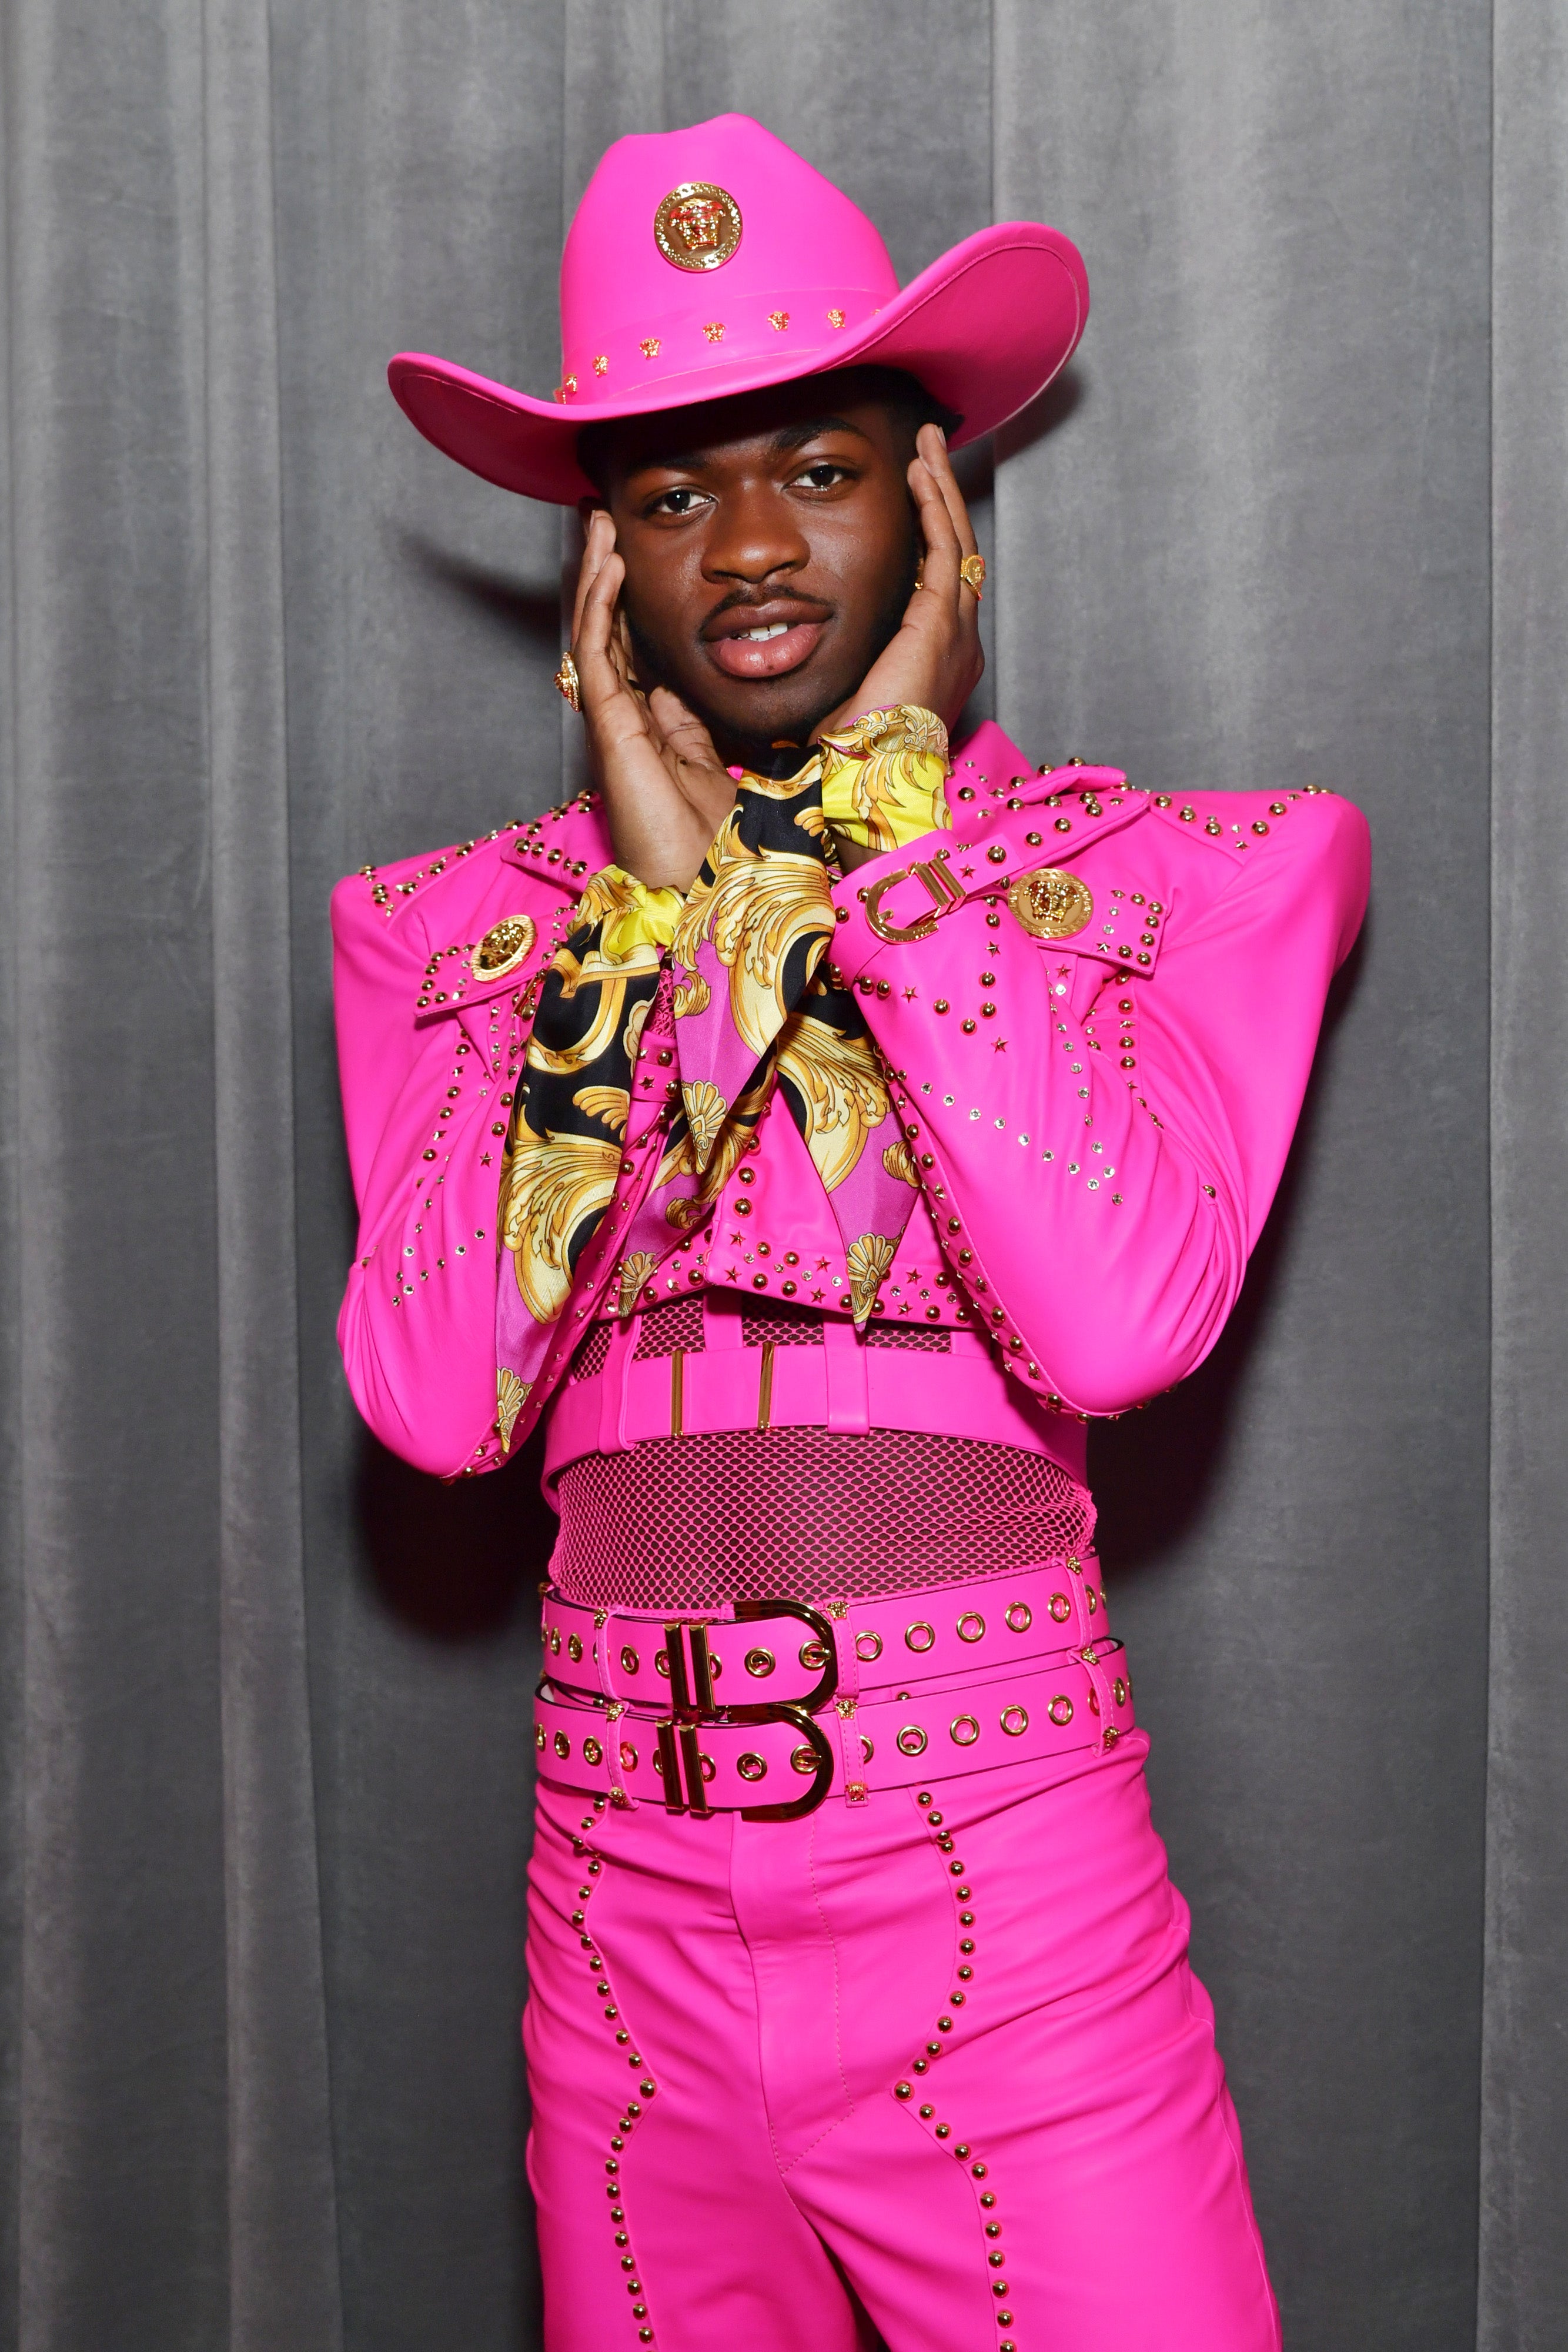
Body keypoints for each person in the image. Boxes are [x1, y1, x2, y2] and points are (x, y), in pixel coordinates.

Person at [333, 114, 1369, 2352]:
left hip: (1010, 1927)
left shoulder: (1195, 875)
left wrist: (880, 857)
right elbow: (430, 1408)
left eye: (817, 465)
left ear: (936, 505)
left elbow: (1112, 1326)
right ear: (601, 569)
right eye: (672, 496)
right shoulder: (453, 944)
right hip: (616, 1947)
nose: (750, 548)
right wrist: (643, 924)